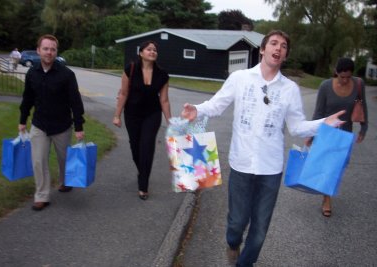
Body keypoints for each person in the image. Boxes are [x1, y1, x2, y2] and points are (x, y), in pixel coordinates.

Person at [180, 30, 345, 267]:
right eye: (274, 44)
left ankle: (244, 263)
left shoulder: (290, 89)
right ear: (263, 49)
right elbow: (216, 105)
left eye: (284, 46)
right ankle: (232, 243)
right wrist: (197, 110)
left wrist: (323, 124)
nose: (278, 49)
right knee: (237, 223)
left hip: (271, 169)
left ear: (285, 55)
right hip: (241, 164)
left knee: (259, 230)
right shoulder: (240, 78)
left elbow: (297, 127)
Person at [19, 34, 85, 211]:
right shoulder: (32, 73)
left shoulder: (67, 74)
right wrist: (22, 120)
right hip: (39, 124)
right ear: (39, 50)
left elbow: (75, 102)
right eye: (46, 48)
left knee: (64, 159)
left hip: (62, 126)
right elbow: (27, 98)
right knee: (39, 161)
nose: (49, 52)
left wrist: (79, 126)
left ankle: (65, 181)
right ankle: (42, 196)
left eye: (52, 49)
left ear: (56, 52)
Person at [305, 57, 368, 217]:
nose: (346, 80)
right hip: (326, 133)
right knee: (329, 167)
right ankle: (327, 199)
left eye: (348, 77)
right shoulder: (325, 86)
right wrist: (311, 134)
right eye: (342, 77)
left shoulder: (358, 85)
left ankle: (326, 191)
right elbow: (318, 112)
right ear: (336, 73)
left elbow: (362, 106)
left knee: (338, 167)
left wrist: (363, 128)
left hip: (345, 134)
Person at [113, 40, 171, 200]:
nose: (152, 52)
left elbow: (164, 100)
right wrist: (117, 115)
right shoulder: (130, 69)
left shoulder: (163, 75)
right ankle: (142, 171)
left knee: (147, 146)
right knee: (135, 148)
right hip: (132, 114)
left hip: (152, 114)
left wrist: (170, 121)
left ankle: (143, 185)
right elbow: (123, 94)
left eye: (155, 50)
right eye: (148, 49)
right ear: (141, 53)